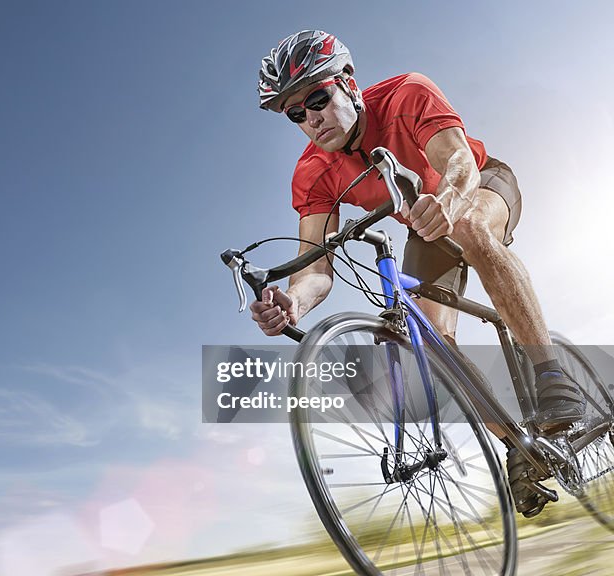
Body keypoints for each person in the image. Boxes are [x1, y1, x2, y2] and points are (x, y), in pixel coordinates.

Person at [248, 29, 583, 517]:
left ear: (348, 83)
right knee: (429, 340)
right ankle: (519, 448)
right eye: (295, 114)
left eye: (317, 98)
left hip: (479, 185)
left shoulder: (407, 94)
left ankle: (552, 376)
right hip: (424, 225)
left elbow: (459, 162)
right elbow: (315, 267)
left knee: (468, 225)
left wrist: (448, 200)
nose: (310, 118)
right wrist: (293, 301)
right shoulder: (313, 172)